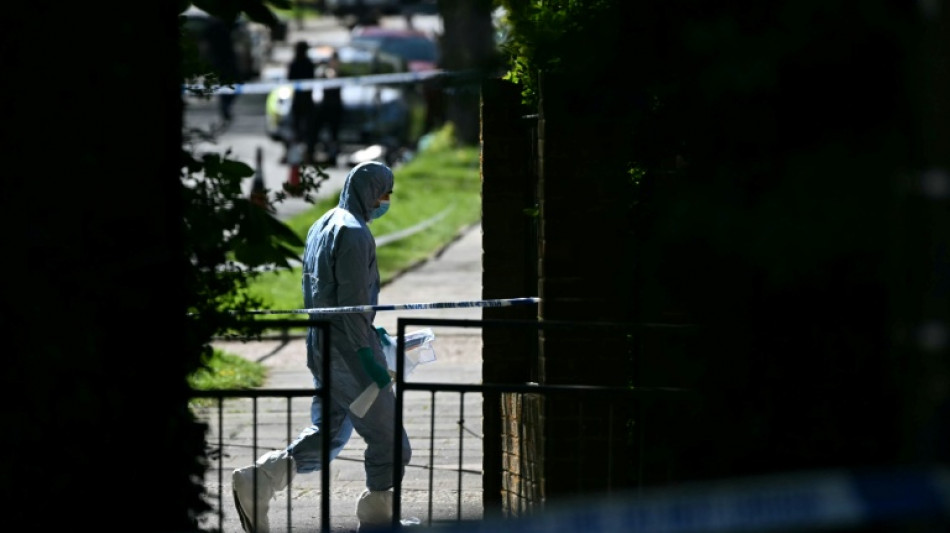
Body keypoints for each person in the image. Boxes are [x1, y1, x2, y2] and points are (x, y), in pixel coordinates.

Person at [231, 161, 410, 533]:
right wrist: (367, 354)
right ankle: (379, 519)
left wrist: (369, 332)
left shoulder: (322, 224)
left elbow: (323, 293)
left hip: (323, 345)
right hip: (351, 352)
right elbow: (353, 301)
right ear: (371, 191)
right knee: (390, 440)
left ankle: (260, 480)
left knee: (329, 432)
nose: (386, 200)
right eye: (385, 193)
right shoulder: (355, 232)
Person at [285, 40, 317, 164]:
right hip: (305, 101)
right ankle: (306, 153)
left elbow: (289, 79)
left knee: (298, 129)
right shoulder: (308, 64)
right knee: (306, 130)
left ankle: (298, 153)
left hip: (300, 101)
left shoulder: (295, 64)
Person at [314, 50, 345, 165]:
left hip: (336, 108)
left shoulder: (339, 73)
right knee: (324, 132)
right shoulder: (324, 72)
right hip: (326, 107)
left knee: (334, 134)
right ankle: (323, 152)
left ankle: (333, 155)